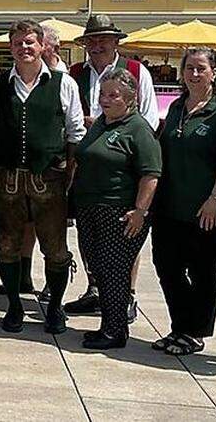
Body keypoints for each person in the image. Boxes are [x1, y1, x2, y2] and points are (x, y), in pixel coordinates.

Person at [0, 20, 84, 334]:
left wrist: (70, 179)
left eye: (29, 43)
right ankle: (13, 306)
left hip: (48, 179)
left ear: (42, 46)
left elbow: (75, 134)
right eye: (18, 43)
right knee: (7, 245)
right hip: (8, 178)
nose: (24, 48)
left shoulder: (64, 83)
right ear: (10, 48)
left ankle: (54, 308)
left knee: (55, 248)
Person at [65, 13, 159, 318]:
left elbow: (150, 118)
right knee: (89, 236)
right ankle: (96, 290)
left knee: (122, 243)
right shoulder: (75, 72)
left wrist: (114, 127)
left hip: (123, 164)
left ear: (115, 42)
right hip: (87, 163)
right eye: (91, 40)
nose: (96, 45)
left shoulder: (135, 70)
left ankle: (125, 296)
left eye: (103, 40)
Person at [152, 47, 216, 356]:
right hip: (170, 206)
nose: (193, 73)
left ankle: (196, 331)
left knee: (203, 269)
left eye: (201, 68)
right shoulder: (177, 107)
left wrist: (215, 198)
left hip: (207, 209)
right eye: (189, 68)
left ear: (214, 73)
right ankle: (180, 326)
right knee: (167, 266)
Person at [71, 70, 161, 349]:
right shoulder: (101, 124)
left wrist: (140, 211)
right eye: (103, 94)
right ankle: (107, 324)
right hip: (90, 208)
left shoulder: (138, 128)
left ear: (131, 98)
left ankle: (115, 330)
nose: (105, 100)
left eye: (113, 95)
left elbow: (151, 174)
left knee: (114, 270)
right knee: (98, 267)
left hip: (119, 211)